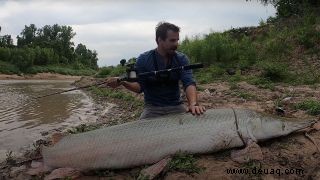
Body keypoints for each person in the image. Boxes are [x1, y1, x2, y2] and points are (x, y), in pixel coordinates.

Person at [107, 22, 205, 119]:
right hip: (152, 109)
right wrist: (122, 82)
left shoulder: (182, 59)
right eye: (172, 40)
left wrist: (193, 104)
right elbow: (139, 87)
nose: (176, 44)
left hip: (176, 106)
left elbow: (189, 83)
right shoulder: (143, 59)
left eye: (177, 40)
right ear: (159, 40)